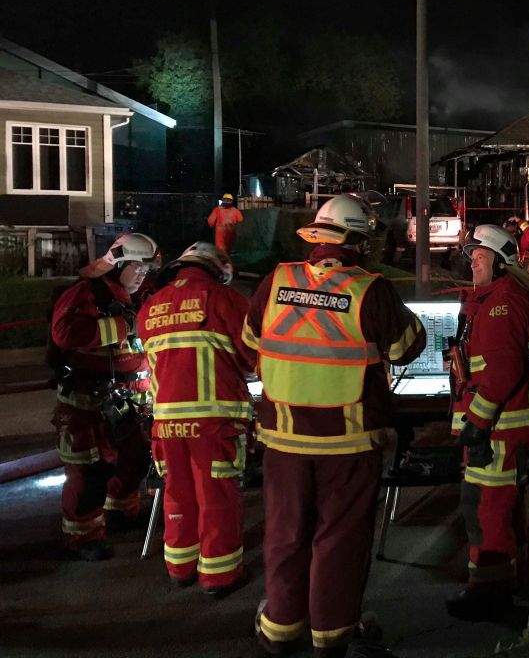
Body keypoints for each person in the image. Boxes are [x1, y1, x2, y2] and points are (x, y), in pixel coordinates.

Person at [244, 194, 426, 657]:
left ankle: (280, 629)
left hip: (283, 438)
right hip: (348, 440)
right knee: (339, 539)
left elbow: (250, 341)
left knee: (285, 533)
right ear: (359, 241)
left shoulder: (277, 279)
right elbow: (406, 347)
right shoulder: (370, 289)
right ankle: (332, 635)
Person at [446, 224, 529, 621]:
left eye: (481, 257)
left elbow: (503, 371)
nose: (473, 263)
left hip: (498, 429)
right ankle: (510, 578)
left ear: (501, 262)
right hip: (508, 425)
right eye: (472, 257)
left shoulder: (501, 304)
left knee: (485, 510)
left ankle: (488, 593)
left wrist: (476, 423)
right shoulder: (502, 296)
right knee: (504, 509)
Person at [137, 242, 256, 596]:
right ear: (218, 270)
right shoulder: (224, 299)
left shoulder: (151, 306)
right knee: (216, 496)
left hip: (166, 422)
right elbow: (252, 356)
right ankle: (220, 575)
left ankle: (180, 567)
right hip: (215, 421)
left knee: (177, 494)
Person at [49, 232, 161, 561]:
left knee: (135, 457)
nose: (141, 276)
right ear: (118, 265)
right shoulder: (86, 293)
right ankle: (82, 535)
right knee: (90, 470)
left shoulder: (142, 295)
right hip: (89, 400)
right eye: (136, 268)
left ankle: (121, 511)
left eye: (146, 270)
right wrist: (123, 326)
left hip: (132, 397)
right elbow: (65, 333)